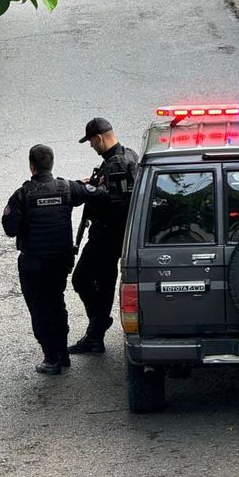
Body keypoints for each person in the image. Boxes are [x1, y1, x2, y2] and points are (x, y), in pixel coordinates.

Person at [2, 143, 105, 375]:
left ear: (32, 166)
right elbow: (99, 196)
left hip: (34, 266)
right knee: (57, 304)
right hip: (59, 263)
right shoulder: (67, 188)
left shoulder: (23, 195)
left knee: (40, 310)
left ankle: (51, 358)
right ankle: (63, 354)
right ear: (51, 163)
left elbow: (10, 228)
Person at [69, 118, 138, 354]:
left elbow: (115, 205)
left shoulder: (115, 163)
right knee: (106, 285)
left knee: (80, 278)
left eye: (91, 142)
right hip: (115, 236)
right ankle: (96, 335)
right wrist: (97, 183)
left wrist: (91, 191)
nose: (91, 146)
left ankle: (98, 324)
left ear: (99, 138)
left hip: (107, 236)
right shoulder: (127, 154)